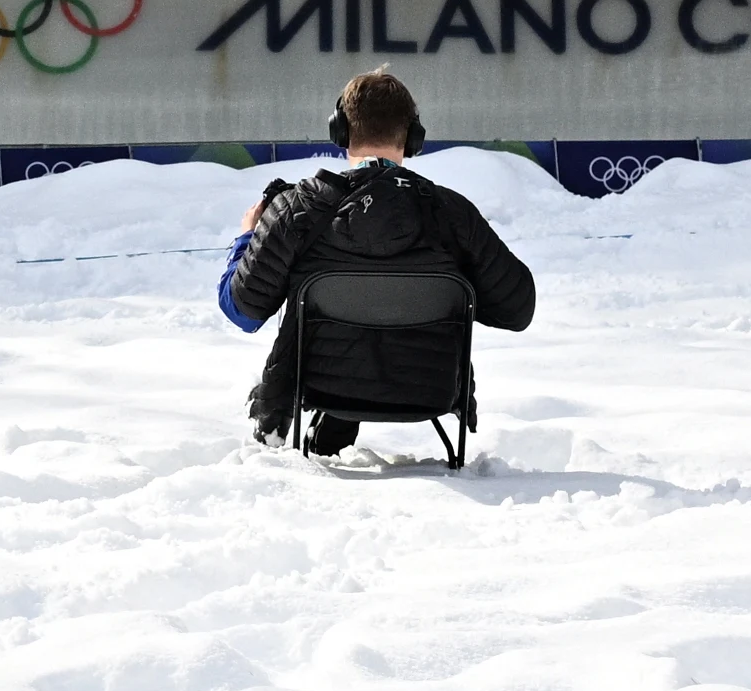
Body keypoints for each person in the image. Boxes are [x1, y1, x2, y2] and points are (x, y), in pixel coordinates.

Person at [217, 69, 536, 456]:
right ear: (413, 137)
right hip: (429, 391)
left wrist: (249, 237)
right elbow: (517, 311)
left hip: (320, 388)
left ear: (341, 131)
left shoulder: (297, 209)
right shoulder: (452, 213)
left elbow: (243, 311)